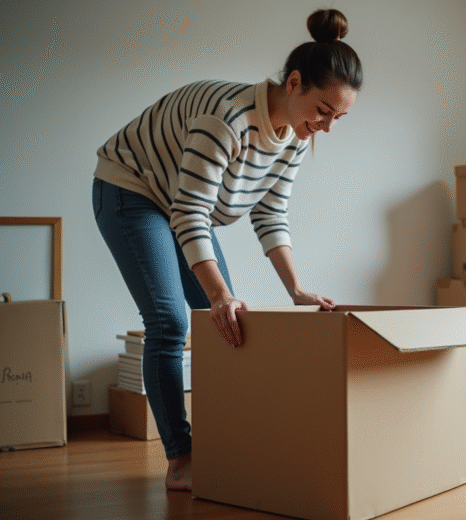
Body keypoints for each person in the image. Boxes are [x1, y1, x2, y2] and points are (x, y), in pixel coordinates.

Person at [91, 8, 362, 491]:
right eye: (323, 110)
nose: (327, 126)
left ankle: (229, 441)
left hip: (180, 203)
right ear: (294, 83)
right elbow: (190, 213)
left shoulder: (296, 137)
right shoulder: (228, 119)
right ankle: (180, 457)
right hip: (132, 188)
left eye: (338, 118)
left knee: (231, 325)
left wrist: (297, 289)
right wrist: (218, 293)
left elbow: (270, 213)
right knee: (172, 321)